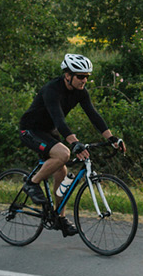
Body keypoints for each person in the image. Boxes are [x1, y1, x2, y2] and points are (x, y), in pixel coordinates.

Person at [17, 53, 126, 236]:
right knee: (64, 154)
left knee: (62, 172)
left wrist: (111, 138)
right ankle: (31, 183)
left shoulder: (80, 92)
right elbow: (59, 120)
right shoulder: (52, 89)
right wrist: (74, 143)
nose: (84, 80)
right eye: (80, 76)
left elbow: (93, 115)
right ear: (68, 75)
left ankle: (59, 217)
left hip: (48, 132)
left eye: (87, 77)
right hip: (30, 130)